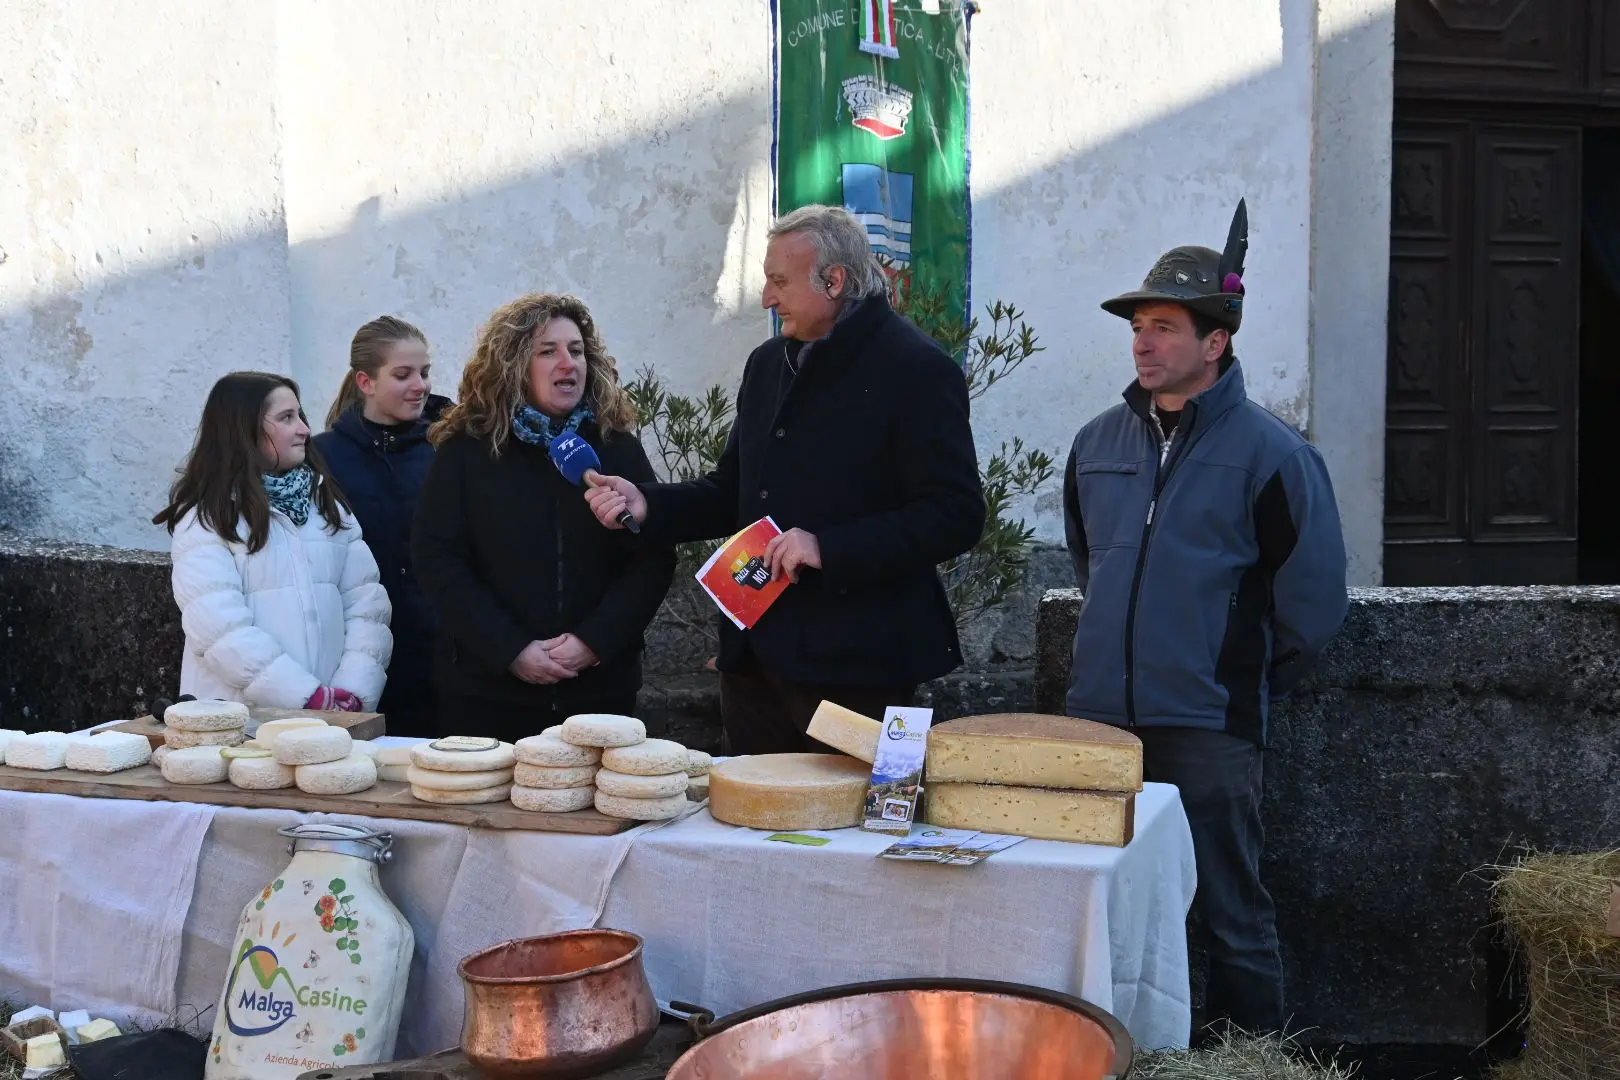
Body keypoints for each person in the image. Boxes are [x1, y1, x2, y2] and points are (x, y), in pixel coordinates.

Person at [1061, 201, 1349, 1036]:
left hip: (1209, 723)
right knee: (1106, 907)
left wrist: (1235, 674)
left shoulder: (1276, 455)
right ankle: (1119, 1049)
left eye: (1164, 326)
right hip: (1102, 724)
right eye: (1138, 327)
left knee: (1230, 908)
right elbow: (1093, 566)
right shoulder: (1095, 443)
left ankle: (1251, 1053)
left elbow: (1312, 605)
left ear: (1216, 342)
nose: (1143, 343)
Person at [584, 204, 986, 754]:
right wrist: (648, 505)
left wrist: (827, 546)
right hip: (754, 660)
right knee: (751, 828)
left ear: (834, 280)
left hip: (860, 667)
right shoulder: (767, 363)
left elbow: (955, 514)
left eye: (778, 282)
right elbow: (733, 493)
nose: (768, 299)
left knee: (851, 835)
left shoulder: (917, 369)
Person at [412, 294, 676, 743]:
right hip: (487, 695)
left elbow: (651, 557)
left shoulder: (615, 448)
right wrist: (510, 650)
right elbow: (439, 560)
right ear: (515, 363)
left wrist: (592, 643)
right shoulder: (466, 450)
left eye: (576, 350)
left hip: (599, 693)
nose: (567, 363)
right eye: (547, 351)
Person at [154, 372, 393, 711]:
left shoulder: (327, 507)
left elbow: (367, 610)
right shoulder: (209, 517)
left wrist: (352, 693)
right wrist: (305, 696)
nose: (305, 429)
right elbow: (219, 628)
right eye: (286, 418)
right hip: (240, 727)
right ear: (244, 429)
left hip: (331, 723)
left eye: (300, 415)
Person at [313, 316, 452, 737]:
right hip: (357, 659)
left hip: (444, 656)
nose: (420, 385)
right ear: (366, 381)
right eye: (403, 374)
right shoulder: (323, 456)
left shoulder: (449, 448)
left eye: (425, 372)